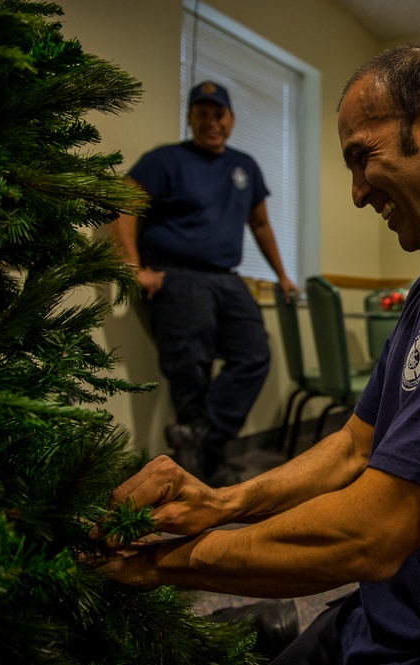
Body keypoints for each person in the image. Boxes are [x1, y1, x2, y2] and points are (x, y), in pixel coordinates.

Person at [98, 45, 420, 665]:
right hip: (396, 609)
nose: (356, 192)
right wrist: (223, 502)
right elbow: (356, 446)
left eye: (361, 157)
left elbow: (374, 533)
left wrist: (164, 564)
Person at [111, 81, 297, 482]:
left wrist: (282, 275)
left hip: (227, 279)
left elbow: (261, 224)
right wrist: (131, 267)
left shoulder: (245, 166)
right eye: (203, 114)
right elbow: (122, 203)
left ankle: (199, 440)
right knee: (190, 371)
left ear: (231, 119)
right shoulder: (165, 161)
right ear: (191, 117)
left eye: (219, 115)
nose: (211, 122)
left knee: (254, 355)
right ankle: (202, 473)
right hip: (178, 278)